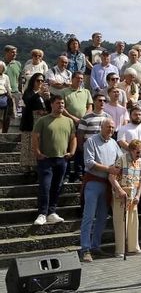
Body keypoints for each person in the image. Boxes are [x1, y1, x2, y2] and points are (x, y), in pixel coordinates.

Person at [79, 118, 121, 262]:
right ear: (101, 127)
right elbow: (89, 163)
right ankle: (85, 249)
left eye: (113, 127)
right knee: (89, 217)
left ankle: (95, 246)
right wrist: (109, 168)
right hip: (93, 182)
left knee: (102, 218)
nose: (111, 129)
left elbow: (119, 161)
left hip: (107, 183)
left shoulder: (114, 143)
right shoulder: (91, 141)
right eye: (108, 127)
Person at [32, 95, 77, 226]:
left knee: (57, 186)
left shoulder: (69, 121)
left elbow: (73, 138)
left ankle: (52, 212)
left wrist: (72, 151)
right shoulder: (43, 120)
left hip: (62, 159)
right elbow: (35, 138)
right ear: (52, 104)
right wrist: (38, 153)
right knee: (45, 186)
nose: (61, 105)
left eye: (62, 103)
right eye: (58, 103)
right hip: (46, 159)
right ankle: (42, 213)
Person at [109, 139, 141, 257]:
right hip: (122, 196)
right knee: (120, 222)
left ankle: (134, 247)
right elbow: (112, 177)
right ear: (131, 150)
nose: (139, 155)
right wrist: (119, 190)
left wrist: (138, 195)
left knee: (134, 222)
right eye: (138, 152)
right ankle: (120, 250)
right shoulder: (122, 159)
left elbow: (140, 180)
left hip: (133, 196)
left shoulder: (139, 162)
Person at [116, 106, 141, 212]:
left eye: (139, 114)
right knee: (128, 183)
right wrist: (134, 151)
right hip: (128, 162)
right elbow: (121, 141)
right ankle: (126, 205)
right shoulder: (124, 128)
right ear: (130, 115)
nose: (137, 116)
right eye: (135, 114)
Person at [20, 73, 49, 175]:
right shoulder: (28, 92)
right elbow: (28, 102)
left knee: (39, 144)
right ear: (33, 81)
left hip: (41, 122)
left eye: (42, 81)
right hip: (30, 122)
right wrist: (38, 94)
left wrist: (48, 99)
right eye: (38, 80)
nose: (40, 83)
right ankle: (27, 169)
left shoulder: (44, 94)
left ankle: (37, 167)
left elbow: (48, 108)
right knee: (28, 146)